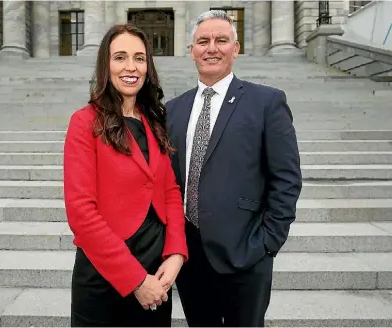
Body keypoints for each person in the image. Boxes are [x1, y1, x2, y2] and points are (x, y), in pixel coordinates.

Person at [166, 10, 302, 327]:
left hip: (246, 253)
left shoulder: (266, 102)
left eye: (221, 40)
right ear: (192, 50)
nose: (211, 48)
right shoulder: (172, 109)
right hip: (190, 256)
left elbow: (286, 179)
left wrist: (268, 242)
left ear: (235, 49)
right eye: (203, 41)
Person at [63, 24, 188, 327]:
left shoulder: (154, 121)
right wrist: (134, 280)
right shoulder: (85, 122)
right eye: (120, 57)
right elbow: (81, 213)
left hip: (156, 274)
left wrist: (175, 254)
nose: (131, 67)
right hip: (104, 273)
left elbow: (170, 191)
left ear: (148, 67)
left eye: (139, 58)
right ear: (106, 65)